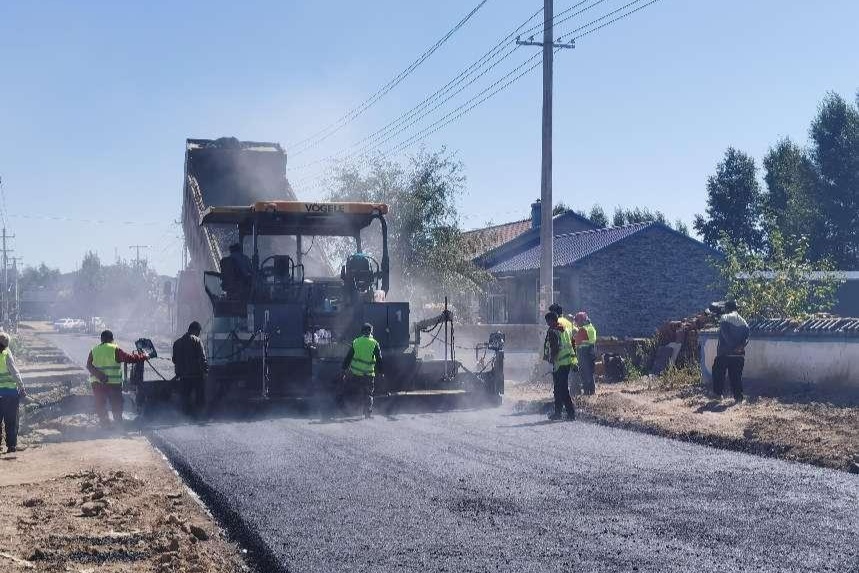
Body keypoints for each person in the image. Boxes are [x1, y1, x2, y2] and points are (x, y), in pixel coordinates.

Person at [86, 330, 149, 427]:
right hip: (113, 384)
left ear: (101, 339)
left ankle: (105, 424)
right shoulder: (114, 349)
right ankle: (118, 425)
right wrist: (144, 356)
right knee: (116, 404)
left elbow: (89, 366)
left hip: (97, 384)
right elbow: (130, 358)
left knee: (100, 404)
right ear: (112, 339)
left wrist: (100, 375)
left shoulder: (94, 350)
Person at [341, 323, 383, 418]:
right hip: (368, 374)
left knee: (353, 391)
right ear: (371, 332)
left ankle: (351, 410)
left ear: (362, 331)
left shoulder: (356, 342)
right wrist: (381, 372)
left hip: (355, 373)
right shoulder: (374, 343)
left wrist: (344, 370)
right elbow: (379, 359)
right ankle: (367, 413)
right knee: (368, 394)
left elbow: (348, 357)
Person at [712, 300, 750, 402]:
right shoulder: (744, 322)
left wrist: (732, 347)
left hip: (724, 353)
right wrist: (740, 347)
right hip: (739, 356)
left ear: (727, 308)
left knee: (718, 374)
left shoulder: (725, 318)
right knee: (736, 377)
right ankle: (738, 398)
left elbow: (725, 335)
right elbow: (746, 339)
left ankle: (718, 396)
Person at [172, 321, 209, 418]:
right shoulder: (197, 340)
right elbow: (202, 358)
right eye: (199, 331)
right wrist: (205, 371)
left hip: (183, 376)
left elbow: (174, 360)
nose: (199, 334)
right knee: (200, 397)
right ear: (195, 330)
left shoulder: (177, 343)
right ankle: (199, 416)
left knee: (185, 397)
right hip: (196, 375)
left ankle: (185, 416)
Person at [543, 312, 576, 421]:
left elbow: (555, 349)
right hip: (567, 363)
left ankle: (570, 414)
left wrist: (551, 362)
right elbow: (572, 345)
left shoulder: (553, 332)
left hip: (559, 364)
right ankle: (559, 413)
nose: (547, 323)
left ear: (552, 320)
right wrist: (574, 362)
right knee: (559, 389)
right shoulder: (565, 330)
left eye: (548, 321)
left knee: (561, 390)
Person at [0, 332, 26, 454]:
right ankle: (11, 446)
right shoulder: (6, 354)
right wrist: (22, 388)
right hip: (10, 394)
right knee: (11, 421)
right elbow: (15, 373)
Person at [573, 311, 598, 395]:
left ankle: (587, 394)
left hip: (584, 354)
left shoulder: (583, 330)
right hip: (591, 353)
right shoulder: (591, 327)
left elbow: (576, 343)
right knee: (590, 374)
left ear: (581, 321)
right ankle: (592, 392)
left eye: (578, 321)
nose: (577, 323)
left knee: (584, 375)